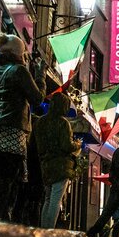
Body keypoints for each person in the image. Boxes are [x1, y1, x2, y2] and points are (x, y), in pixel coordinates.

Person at [0, 33, 46, 221]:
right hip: (10, 132)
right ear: (17, 54)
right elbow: (37, 100)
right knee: (6, 178)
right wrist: (40, 77)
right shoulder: (18, 71)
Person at [34, 91, 81, 229]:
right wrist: (77, 144)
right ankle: (49, 231)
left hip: (46, 164)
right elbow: (67, 145)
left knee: (47, 199)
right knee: (55, 200)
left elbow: (39, 145)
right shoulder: (63, 123)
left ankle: (43, 229)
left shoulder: (40, 122)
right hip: (61, 165)